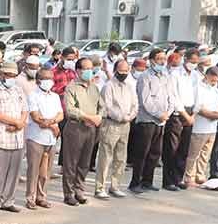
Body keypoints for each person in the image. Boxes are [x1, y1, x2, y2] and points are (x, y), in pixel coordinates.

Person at [129, 49, 176, 194]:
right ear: (151, 60)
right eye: (159, 59)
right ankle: (135, 182)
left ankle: (147, 181)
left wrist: (168, 112)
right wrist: (159, 114)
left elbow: (171, 97)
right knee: (142, 153)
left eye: (164, 58)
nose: (162, 61)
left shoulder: (166, 76)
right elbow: (145, 100)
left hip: (162, 121)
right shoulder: (145, 77)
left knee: (155, 153)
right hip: (147, 120)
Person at [0, 62, 28, 214]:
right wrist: (16, 122)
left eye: (13, 75)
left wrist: (20, 124)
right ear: (2, 75)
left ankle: (8, 201)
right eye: (8, 75)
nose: (11, 78)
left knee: (14, 172)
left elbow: (25, 110)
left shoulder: (18, 90)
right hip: (0, 137)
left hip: (17, 138)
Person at [61, 57, 102, 205]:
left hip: (91, 129)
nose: (90, 72)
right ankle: (68, 193)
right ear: (78, 71)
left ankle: (79, 189)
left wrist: (98, 117)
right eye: (86, 69)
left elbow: (101, 106)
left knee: (85, 162)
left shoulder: (94, 87)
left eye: (91, 68)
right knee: (71, 163)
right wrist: (88, 117)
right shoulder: (71, 87)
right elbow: (70, 110)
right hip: (76, 127)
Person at [96, 59, 138, 199]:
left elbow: (135, 105)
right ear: (115, 70)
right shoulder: (108, 86)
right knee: (106, 157)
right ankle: (100, 187)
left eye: (126, 71)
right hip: (111, 124)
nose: (124, 74)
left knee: (121, 157)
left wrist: (130, 117)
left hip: (126, 125)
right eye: (121, 71)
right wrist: (121, 117)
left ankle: (115, 186)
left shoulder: (129, 86)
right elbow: (106, 107)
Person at [25, 68, 63, 210]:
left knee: (46, 171)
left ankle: (42, 197)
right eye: (46, 78)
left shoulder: (54, 96)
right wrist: (52, 125)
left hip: (51, 139)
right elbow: (35, 116)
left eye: (51, 78)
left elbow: (60, 115)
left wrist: (52, 123)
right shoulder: (33, 95)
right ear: (39, 80)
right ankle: (30, 198)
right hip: (36, 137)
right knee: (33, 170)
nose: (49, 81)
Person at [184, 67, 218, 187]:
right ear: (206, 76)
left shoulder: (215, 89)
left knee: (205, 154)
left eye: (216, 80)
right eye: (212, 79)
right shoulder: (198, 88)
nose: (214, 82)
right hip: (200, 126)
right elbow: (197, 107)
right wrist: (212, 115)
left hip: (212, 127)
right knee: (194, 154)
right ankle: (188, 176)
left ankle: (200, 175)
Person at [164, 52, 197, 190]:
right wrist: (185, 114)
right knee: (172, 148)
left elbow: (197, 95)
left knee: (183, 149)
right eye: (191, 60)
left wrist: (193, 114)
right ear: (186, 59)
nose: (193, 63)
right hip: (177, 114)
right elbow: (174, 96)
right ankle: (168, 181)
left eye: (196, 61)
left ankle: (178, 178)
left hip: (190, 113)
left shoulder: (196, 75)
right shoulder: (175, 75)